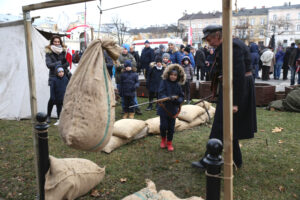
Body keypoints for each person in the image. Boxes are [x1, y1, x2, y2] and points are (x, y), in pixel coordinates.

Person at [192, 25, 257, 169]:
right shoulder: (228, 45)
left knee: (220, 126)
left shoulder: (232, 46)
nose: (209, 43)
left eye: (210, 39)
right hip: (230, 87)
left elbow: (238, 75)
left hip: (235, 90)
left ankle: (208, 161)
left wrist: (235, 102)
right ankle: (236, 160)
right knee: (229, 126)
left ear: (218, 35)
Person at [158, 64, 185, 151]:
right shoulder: (164, 82)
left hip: (173, 109)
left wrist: (177, 101)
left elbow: (181, 96)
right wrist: (167, 97)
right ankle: (163, 140)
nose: (173, 76)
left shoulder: (178, 85)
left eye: (175, 75)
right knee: (163, 126)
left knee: (171, 127)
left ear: (177, 76)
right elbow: (161, 93)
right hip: (164, 108)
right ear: (168, 74)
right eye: (171, 75)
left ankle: (169, 142)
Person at [45, 35, 70, 123]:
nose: (57, 43)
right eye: (55, 42)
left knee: (63, 96)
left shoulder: (63, 51)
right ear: (52, 42)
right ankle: (48, 115)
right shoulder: (49, 52)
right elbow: (48, 65)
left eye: (58, 42)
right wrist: (60, 64)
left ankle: (62, 115)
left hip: (63, 77)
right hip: (53, 77)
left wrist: (63, 65)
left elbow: (66, 63)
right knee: (52, 98)